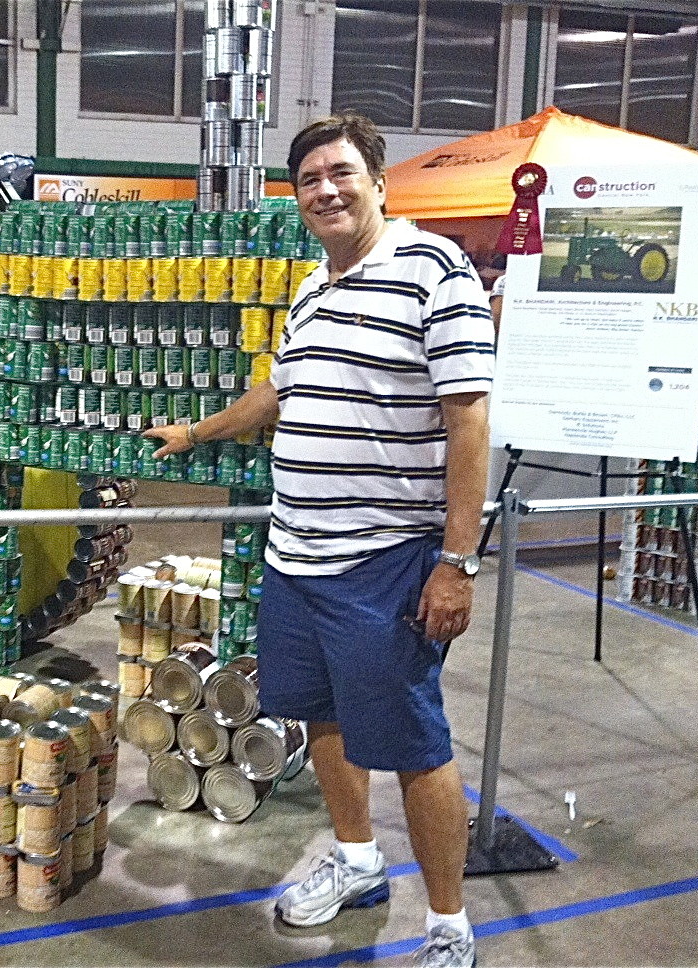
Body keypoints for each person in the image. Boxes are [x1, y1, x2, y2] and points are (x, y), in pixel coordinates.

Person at [144, 113, 493, 967]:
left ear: (379, 182)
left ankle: (448, 924)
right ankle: (357, 861)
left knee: (413, 742)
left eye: (342, 173)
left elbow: (469, 422)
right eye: (309, 179)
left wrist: (456, 562)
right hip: (294, 557)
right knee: (323, 718)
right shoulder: (312, 288)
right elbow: (278, 395)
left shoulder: (432, 271)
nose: (326, 190)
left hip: (383, 561)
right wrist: (197, 434)